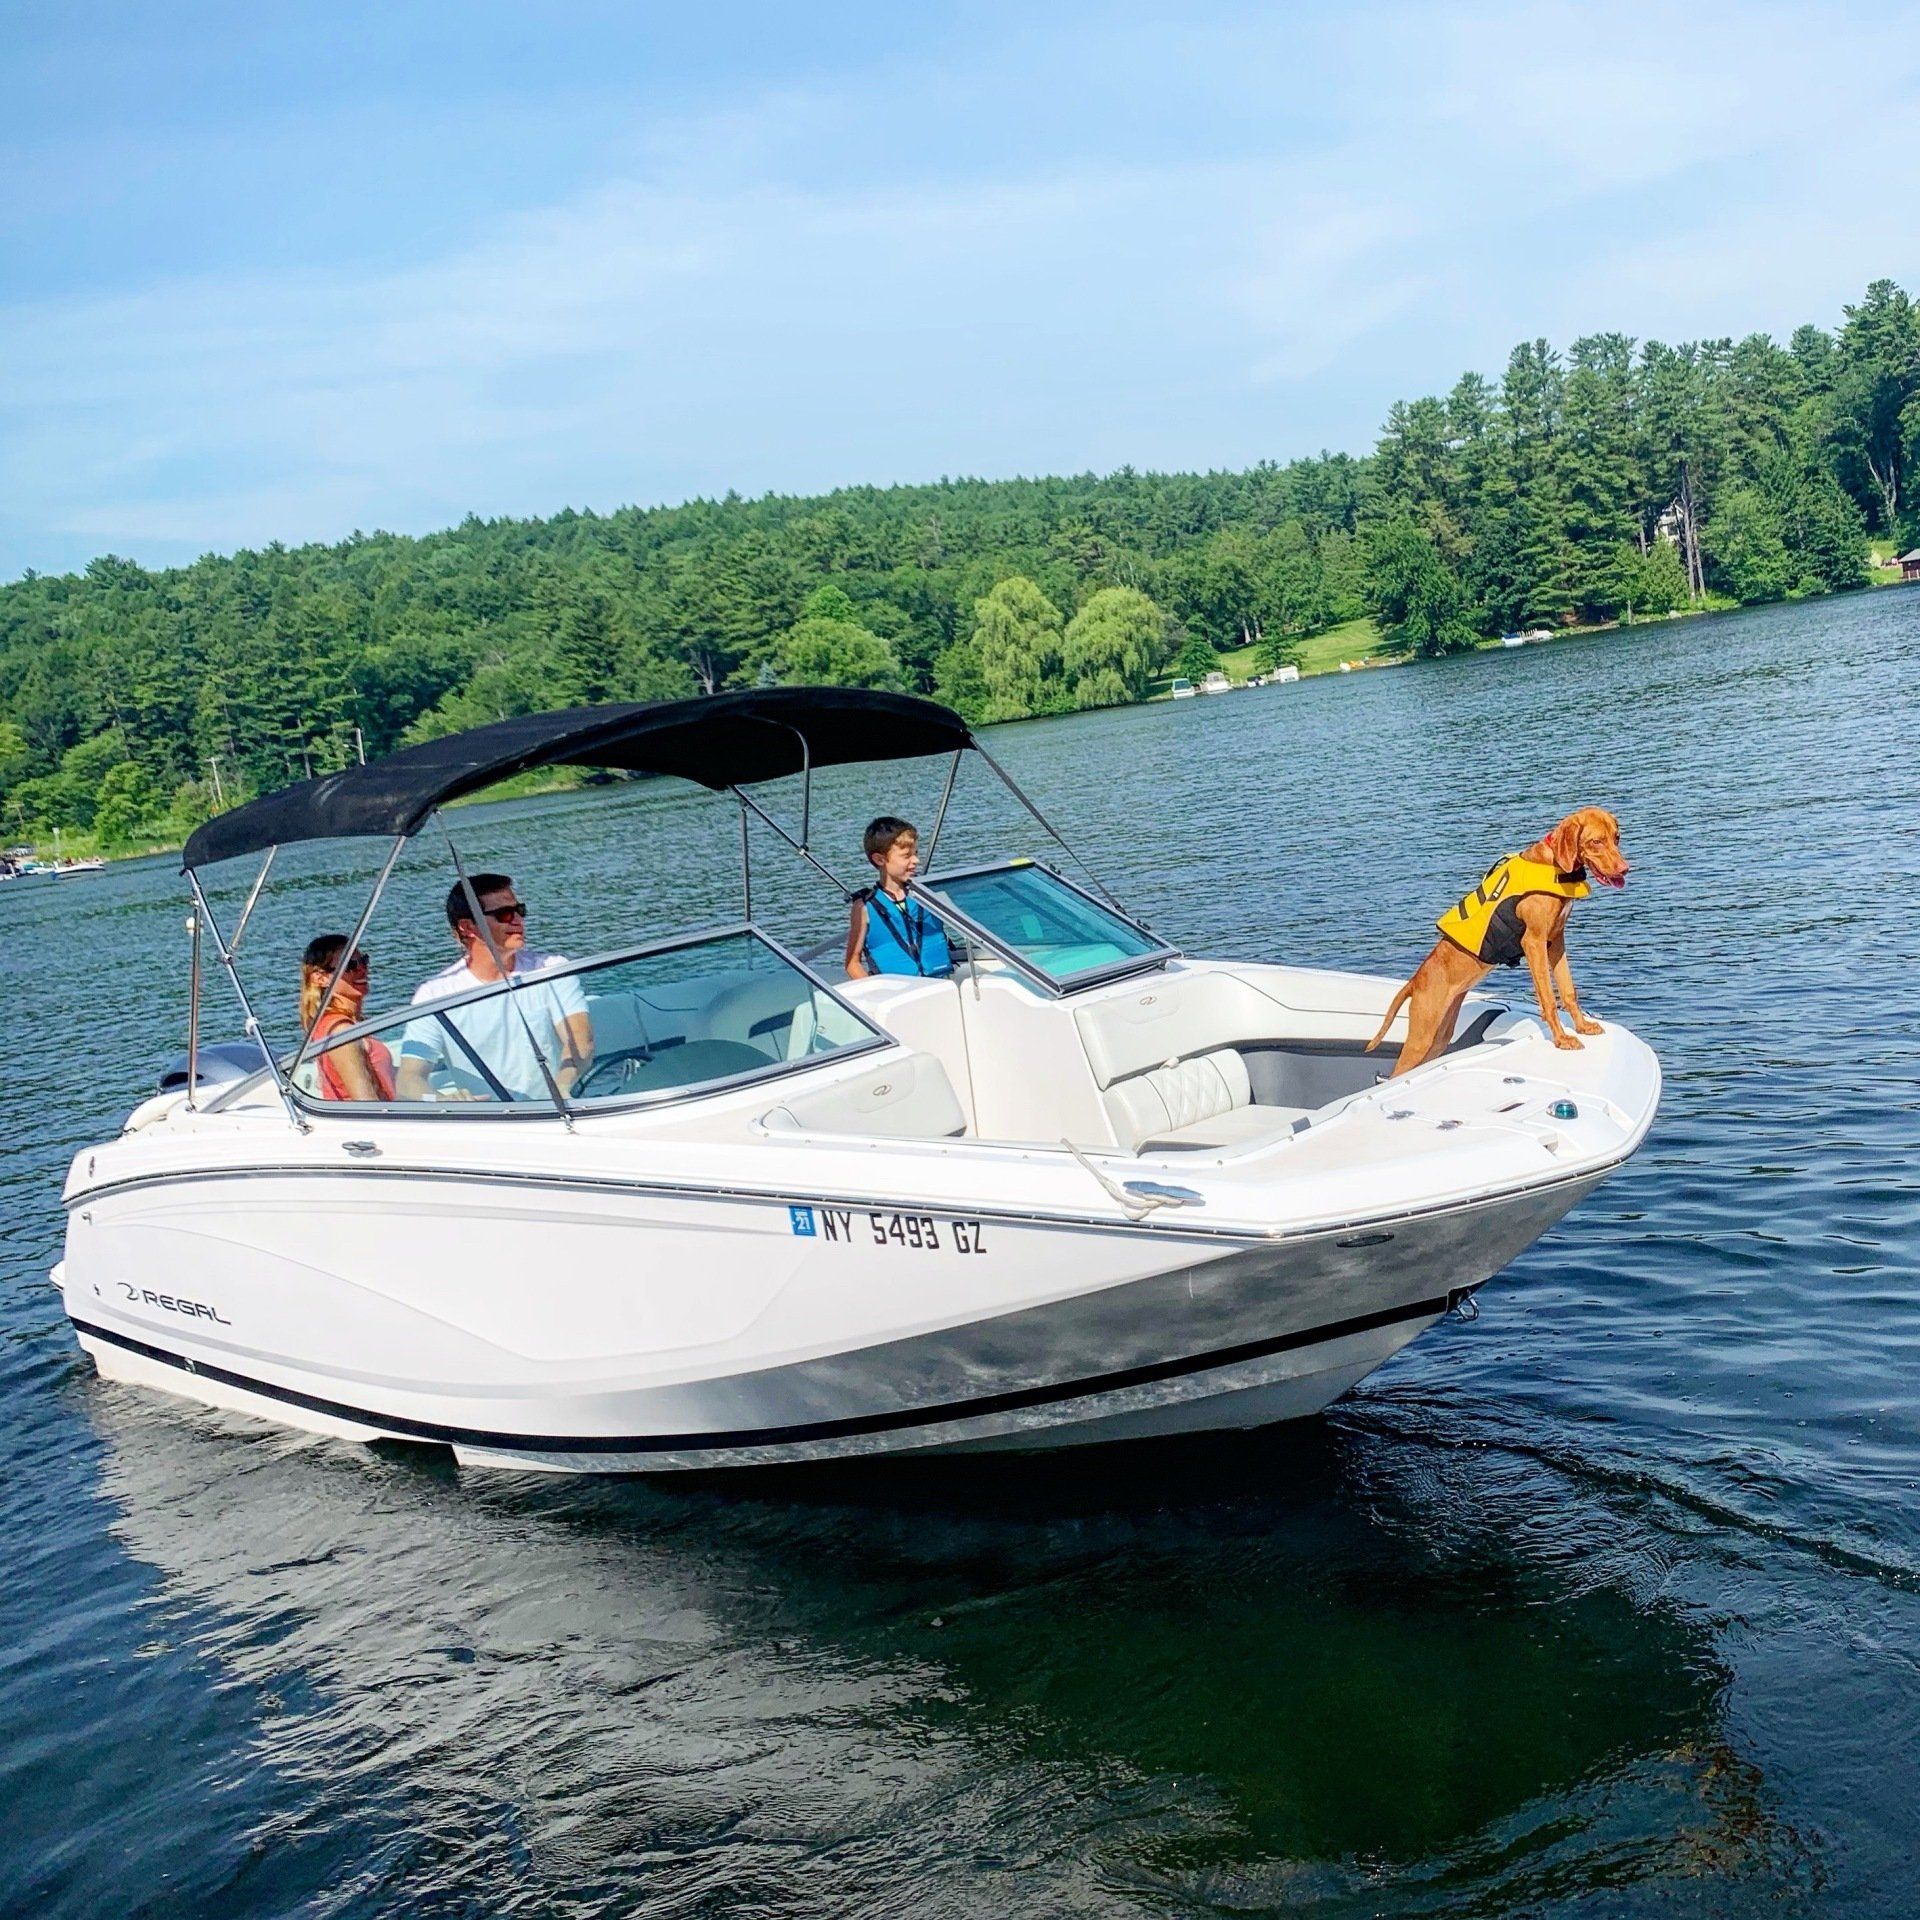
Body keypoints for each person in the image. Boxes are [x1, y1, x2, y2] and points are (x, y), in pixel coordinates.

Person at [394, 874, 595, 1102]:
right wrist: (443, 1101)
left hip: (560, 1108)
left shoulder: (551, 969)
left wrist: (562, 1087)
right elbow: (408, 1081)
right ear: (468, 927)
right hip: (491, 1119)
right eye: (504, 914)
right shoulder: (433, 994)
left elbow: (581, 1041)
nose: (518, 920)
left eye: (520, 910)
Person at [844, 816, 953, 979]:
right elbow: (852, 963)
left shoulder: (929, 895)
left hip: (940, 984)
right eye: (907, 855)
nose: (916, 860)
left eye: (916, 853)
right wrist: (878, 990)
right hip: (898, 990)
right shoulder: (864, 907)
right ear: (880, 859)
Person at [300, 935, 396, 1101]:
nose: (361, 969)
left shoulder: (339, 1024)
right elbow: (367, 1104)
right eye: (349, 965)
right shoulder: (341, 1031)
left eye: (363, 960)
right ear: (321, 978)